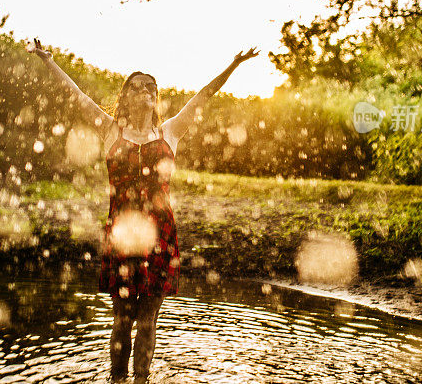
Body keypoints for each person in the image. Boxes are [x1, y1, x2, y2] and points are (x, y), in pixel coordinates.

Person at [27, 38, 258, 382]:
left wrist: (233, 65)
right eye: (136, 86)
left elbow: (203, 97)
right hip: (121, 233)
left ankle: (141, 380)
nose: (145, 90)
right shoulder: (110, 130)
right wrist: (48, 61)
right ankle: (117, 379)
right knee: (121, 318)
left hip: (159, 233)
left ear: (155, 96)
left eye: (150, 86)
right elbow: (76, 95)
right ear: (127, 96)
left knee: (148, 317)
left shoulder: (170, 132)